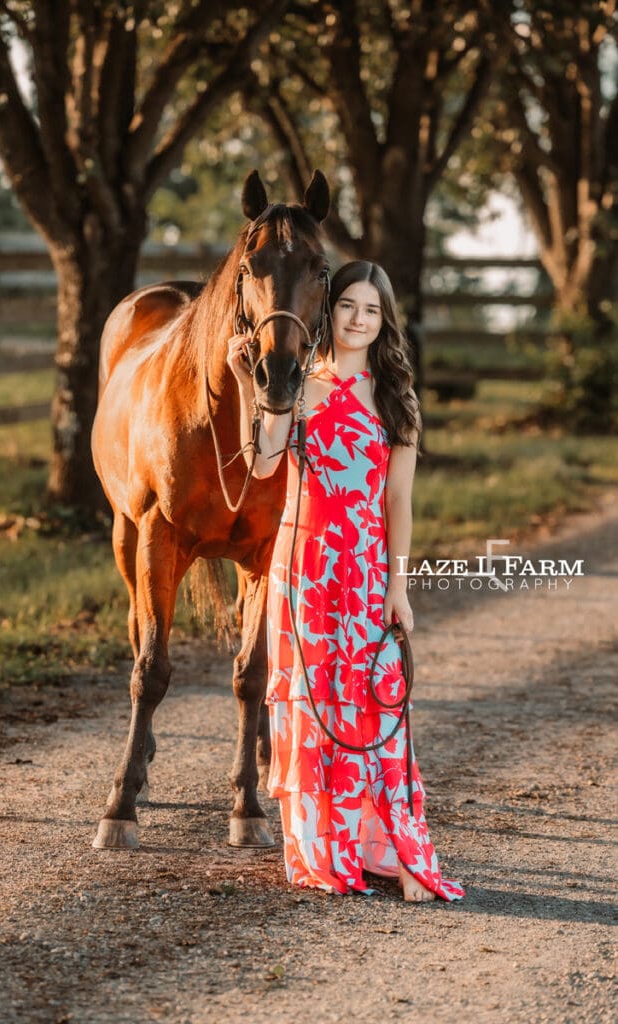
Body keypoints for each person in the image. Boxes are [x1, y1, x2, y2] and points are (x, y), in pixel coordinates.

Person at [227, 260, 464, 902]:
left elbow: (398, 507)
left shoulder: (397, 400)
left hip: (364, 570)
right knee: (312, 704)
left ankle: (393, 850)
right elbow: (263, 461)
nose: (358, 320)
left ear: (384, 322)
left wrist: (398, 587)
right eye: (348, 307)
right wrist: (259, 386)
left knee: (376, 703)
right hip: (302, 568)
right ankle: (322, 849)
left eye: (372, 311)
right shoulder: (302, 386)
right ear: (328, 312)